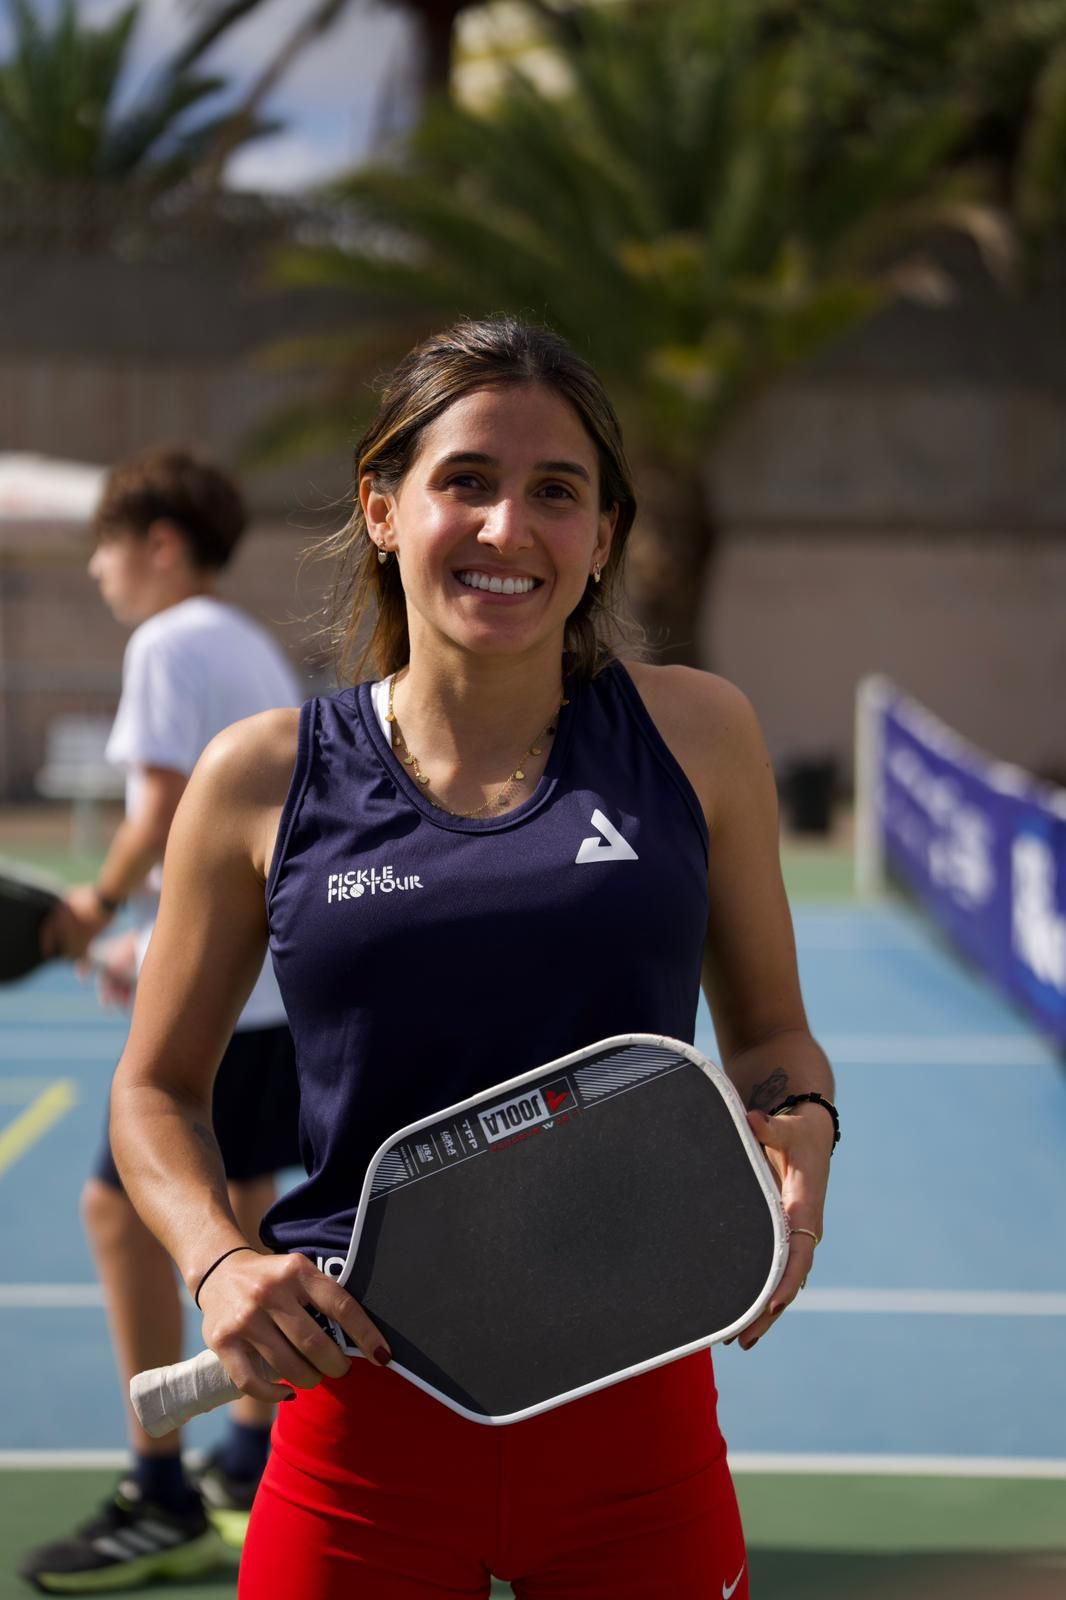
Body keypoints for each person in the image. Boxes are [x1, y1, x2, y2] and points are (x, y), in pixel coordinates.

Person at [105, 320, 836, 1599]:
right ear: (383, 508)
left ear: (603, 535)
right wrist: (217, 1261)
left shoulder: (698, 736)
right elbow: (155, 1092)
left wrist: (803, 1127)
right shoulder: (259, 777)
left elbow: (770, 1036)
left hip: (637, 1413)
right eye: (467, 483)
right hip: (355, 1426)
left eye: (557, 492)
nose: (509, 529)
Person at [20, 449, 304, 1594]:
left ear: (162, 546)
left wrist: (92, 906)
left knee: (119, 1206)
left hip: (236, 997)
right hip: (285, 979)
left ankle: (161, 1487)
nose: (95, 568)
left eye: (107, 544)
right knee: (244, 1210)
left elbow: (168, 808)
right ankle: (247, 1456)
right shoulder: (243, 643)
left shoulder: (168, 640)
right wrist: (152, 943)